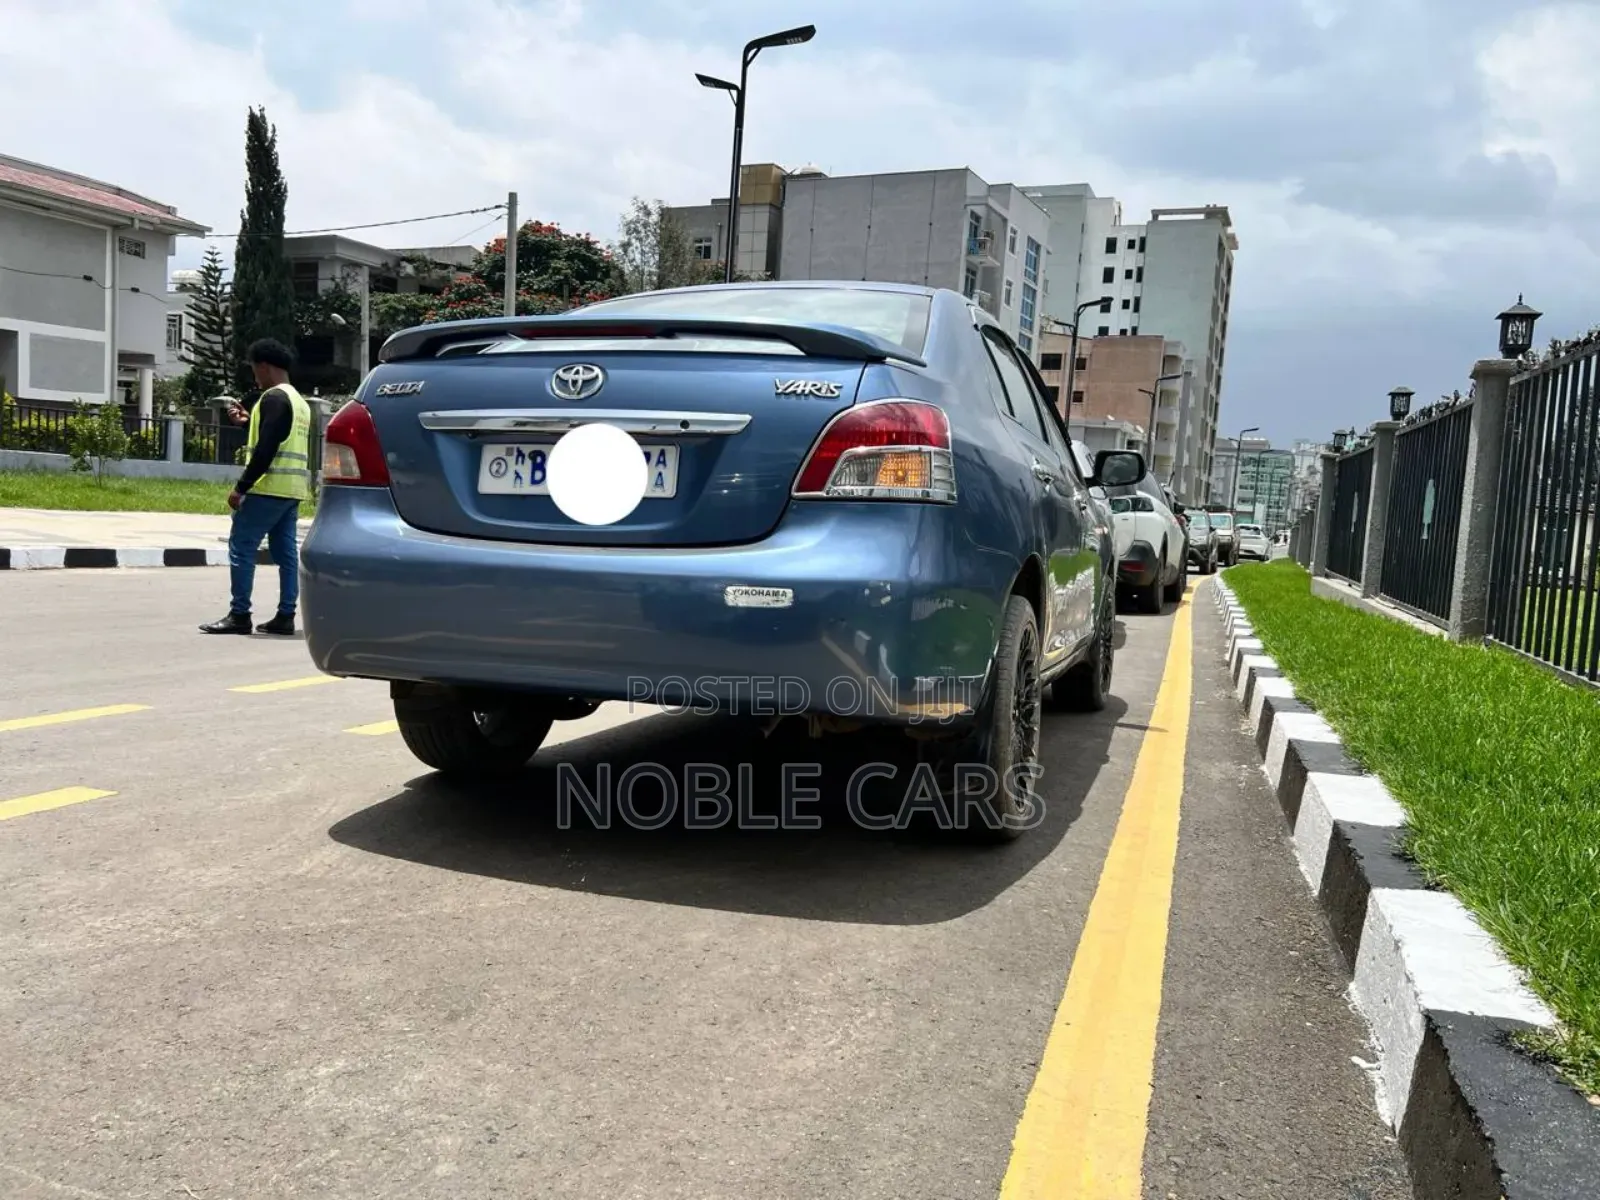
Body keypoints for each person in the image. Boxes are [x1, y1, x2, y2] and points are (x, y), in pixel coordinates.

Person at [199, 339, 313, 636]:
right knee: (286, 553)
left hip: (267, 488)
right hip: (292, 490)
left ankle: (239, 615)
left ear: (264, 366)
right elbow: (279, 437)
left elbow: (266, 450)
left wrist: (241, 487)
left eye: (254, 370)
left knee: (241, 546)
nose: (254, 377)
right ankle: (286, 615)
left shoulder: (272, 398)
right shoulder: (299, 402)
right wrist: (246, 424)